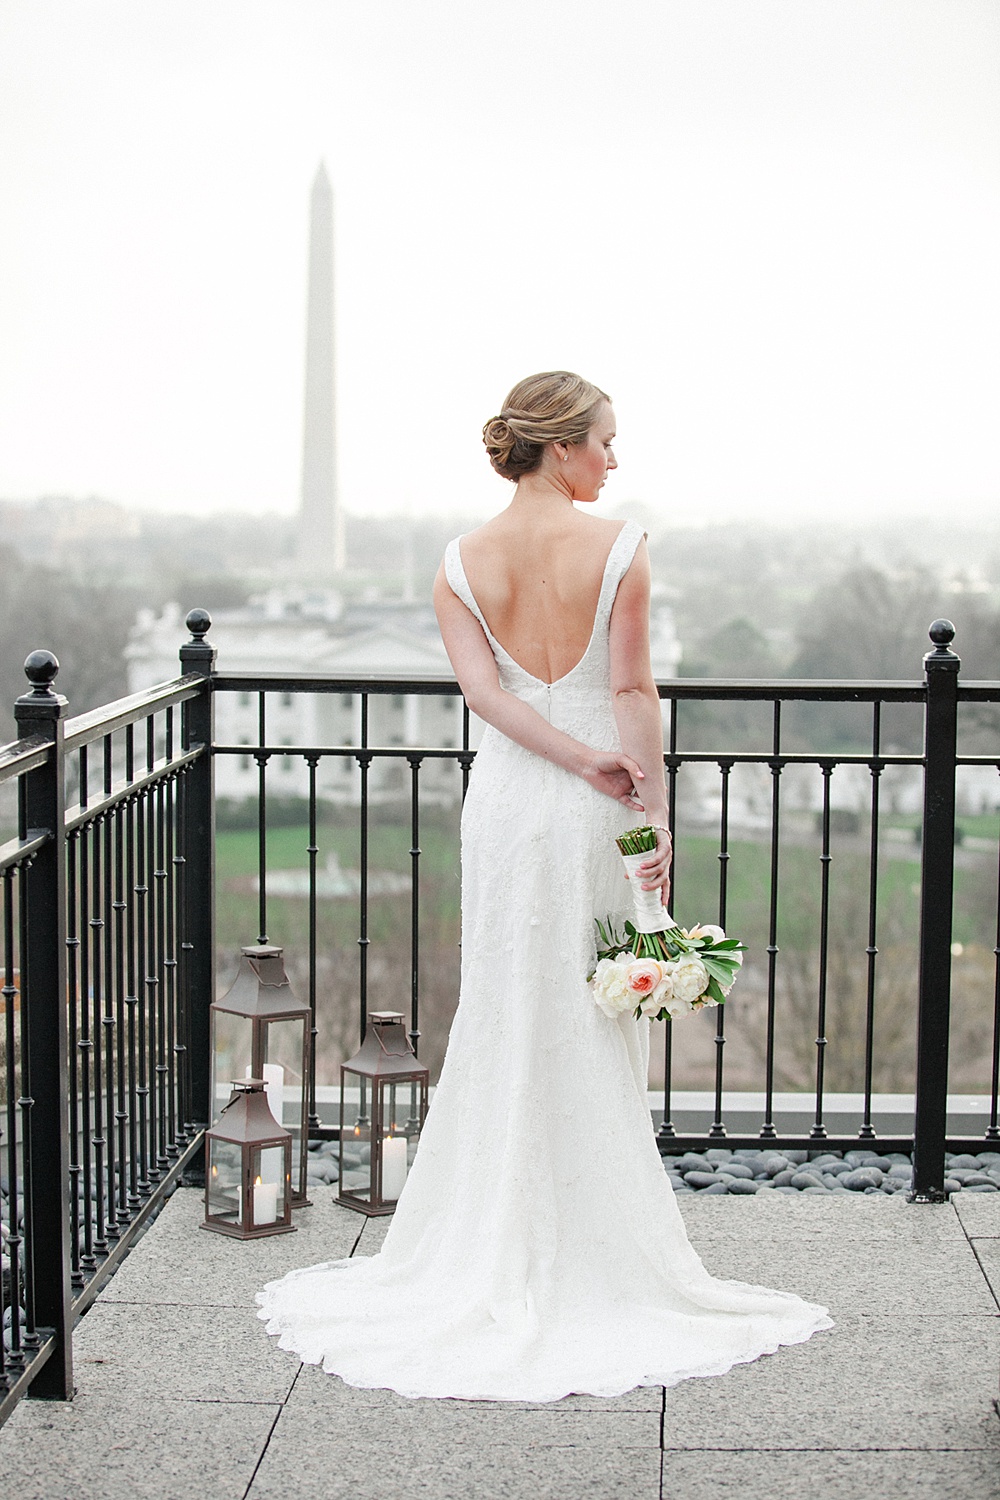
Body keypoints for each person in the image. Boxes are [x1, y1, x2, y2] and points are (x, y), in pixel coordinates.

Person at [257, 371, 831, 1401]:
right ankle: (587, 1242)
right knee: (586, 1009)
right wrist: (643, 805)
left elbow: (481, 696)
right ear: (561, 447)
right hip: (589, 806)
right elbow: (627, 690)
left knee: (509, 1006)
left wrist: (565, 760)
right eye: (607, 440)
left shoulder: (457, 562)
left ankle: (487, 1234)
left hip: (513, 804)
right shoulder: (621, 549)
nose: (616, 459)